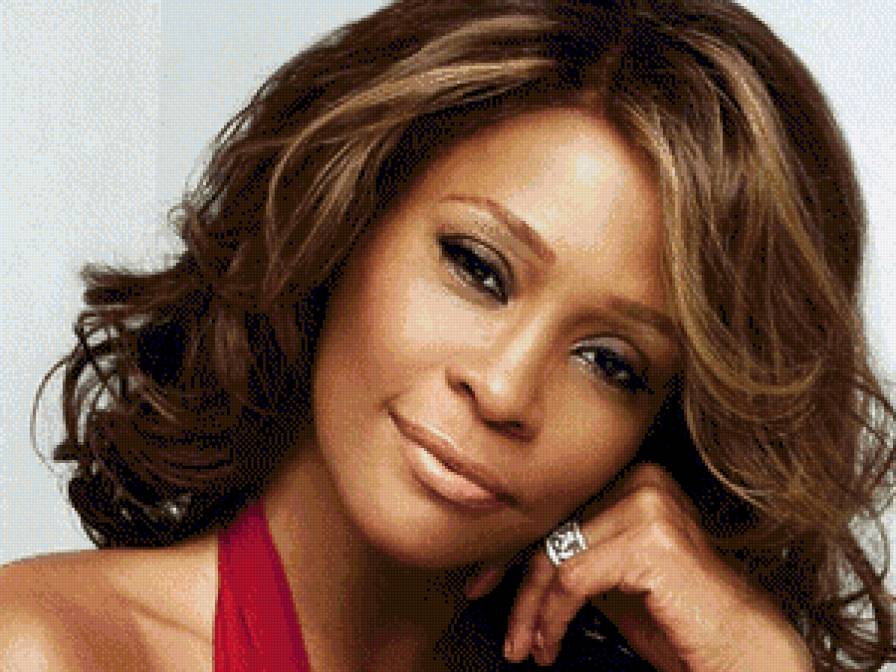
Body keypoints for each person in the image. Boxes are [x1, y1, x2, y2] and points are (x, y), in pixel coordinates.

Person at [1, 0, 894, 669]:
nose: (504, 390)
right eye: (477, 267)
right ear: (342, 216)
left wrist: (760, 660)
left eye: (610, 362)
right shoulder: (55, 651)